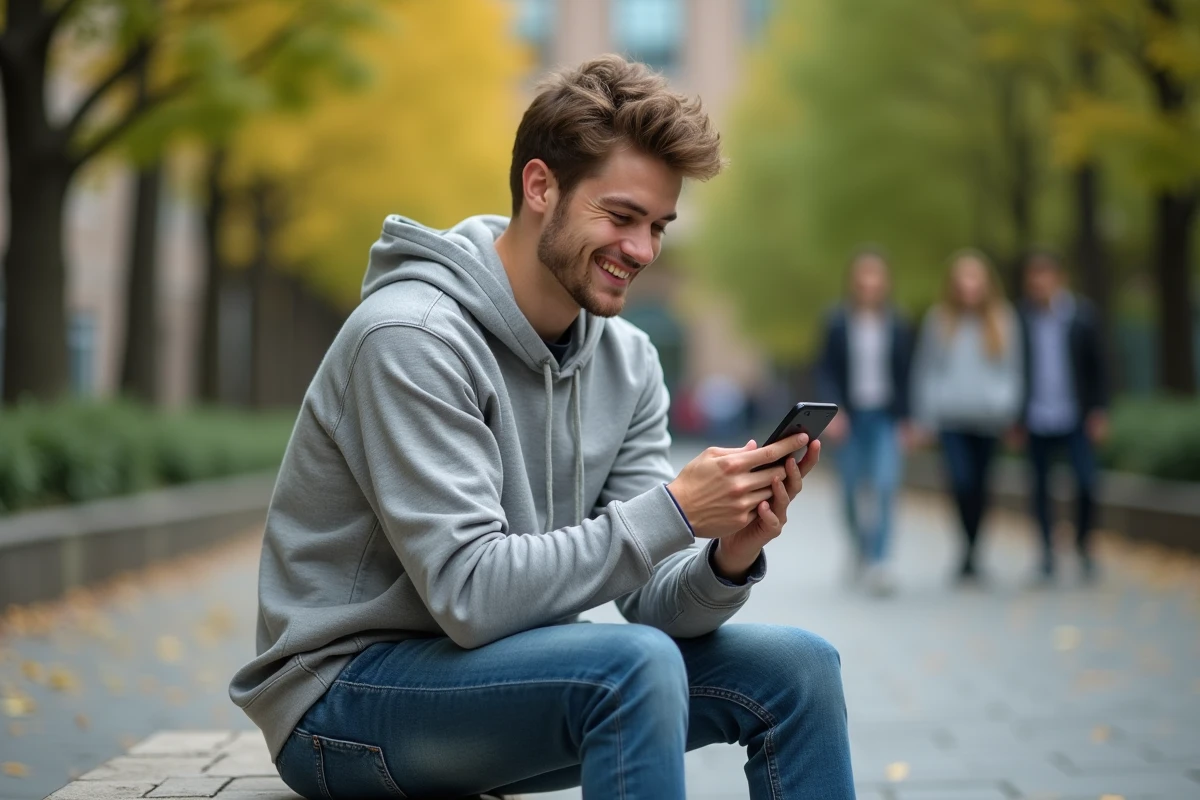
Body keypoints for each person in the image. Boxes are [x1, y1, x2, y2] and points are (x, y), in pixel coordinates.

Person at [229, 56, 855, 800]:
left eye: (658, 226)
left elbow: (649, 598)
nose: (643, 251)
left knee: (799, 669)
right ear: (540, 186)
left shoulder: (627, 363)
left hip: (502, 672)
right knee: (635, 668)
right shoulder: (411, 337)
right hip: (341, 701)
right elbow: (470, 595)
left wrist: (724, 556)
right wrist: (675, 510)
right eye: (620, 217)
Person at [911, 250, 1023, 582]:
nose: (970, 286)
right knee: (960, 482)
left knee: (982, 486)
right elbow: (926, 370)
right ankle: (965, 545)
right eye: (964, 279)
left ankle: (974, 551)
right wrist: (926, 416)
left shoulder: (1003, 319)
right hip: (952, 419)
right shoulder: (940, 320)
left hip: (989, 419)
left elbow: (1013, 370)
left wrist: (1005, 406)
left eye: (976, 279)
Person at [818, 250, 914, 595]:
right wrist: (834, 412)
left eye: (876, 276)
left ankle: (880, 561)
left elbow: (907, 375)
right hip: (851, 418)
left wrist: (908, 420)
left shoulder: (899, 323)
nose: (870, 283)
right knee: (849, 492)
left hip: (886, 417)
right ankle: (860, 547)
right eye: (864, 277)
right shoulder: (837, 321)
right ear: (854, 282)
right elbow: (825, 370)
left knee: (886, 486)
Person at [1014, 250, 1109, 583]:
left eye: (1045, 276)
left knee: (1086, 482)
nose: (1039, 284)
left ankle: (1083, 544)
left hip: (1075, 415)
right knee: (1039, 487)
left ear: (1059, 278)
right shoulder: (1021, 319)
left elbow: (1099, 366)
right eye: (1034, 278)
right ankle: (1046, 553)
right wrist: (1015, 418)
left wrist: (1099, 410)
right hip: (1036, 416)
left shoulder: (1082, 316)